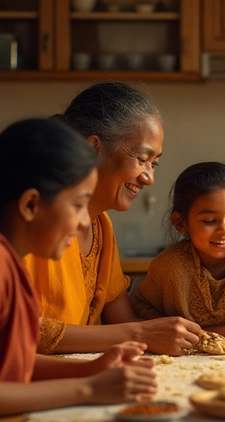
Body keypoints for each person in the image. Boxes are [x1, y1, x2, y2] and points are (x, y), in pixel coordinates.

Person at [23, 81, 201, 356]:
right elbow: (20, 332)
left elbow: (123, 322)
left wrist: (190, 334)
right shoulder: (29, 219)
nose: (149, 177)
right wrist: (139, 335)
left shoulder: (102, 225)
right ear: (93, 147)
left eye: (154, 163)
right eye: (142, 158)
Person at [0, 118, 157, 416]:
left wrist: (89, 370)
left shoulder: (13, 263)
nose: (86, 221)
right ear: (30, 205)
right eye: (78, 205)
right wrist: (89, 390)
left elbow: (15, 361)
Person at [133, 162, 225, 340]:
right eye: (209, 220)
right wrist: (187, 331)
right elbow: (141, 309)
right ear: (180, 223)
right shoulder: (169, 265)